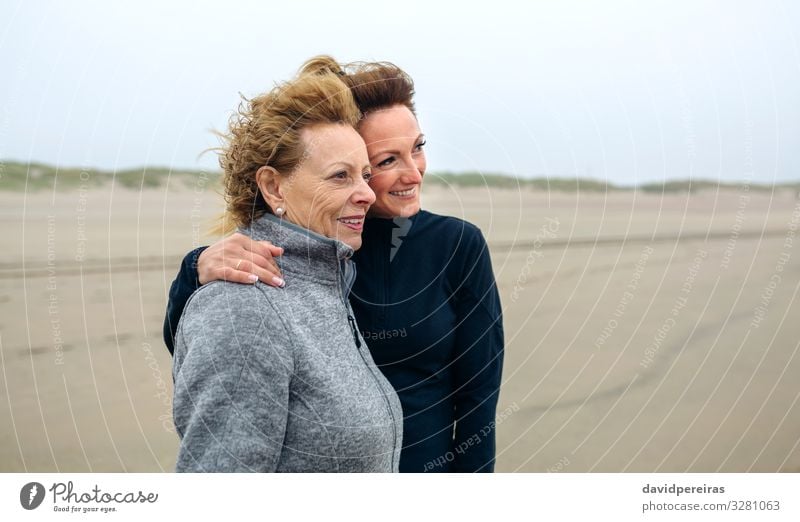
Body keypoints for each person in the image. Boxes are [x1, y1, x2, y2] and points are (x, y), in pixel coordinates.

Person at [166, 57, 503, 473]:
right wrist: (195, 269)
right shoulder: (302, 256)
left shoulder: (454, 244)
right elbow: (211, 350)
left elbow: (478, 396)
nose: (413, 173)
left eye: (417, 147)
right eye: (384, 161)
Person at [171, 61, 403, 472]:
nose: (367, 193)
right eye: (340, 176)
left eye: (365, 175)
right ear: (274, 186)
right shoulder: (243, 307)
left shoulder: (324, 282)